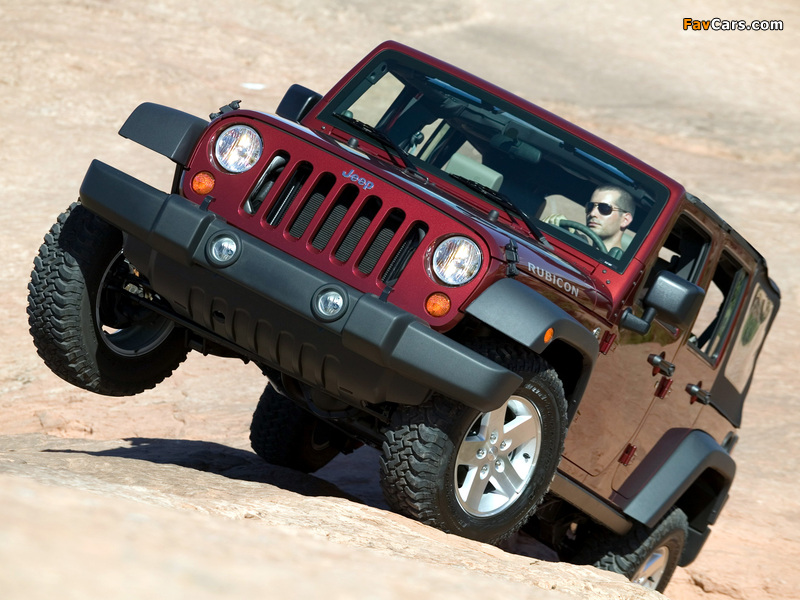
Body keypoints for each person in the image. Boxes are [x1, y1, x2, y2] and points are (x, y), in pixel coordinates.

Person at [545, 185, 635, 253]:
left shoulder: (623, 268)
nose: (592, 213)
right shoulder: (577, 247)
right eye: (590, 206)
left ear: (625, 220)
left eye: (604, 208)